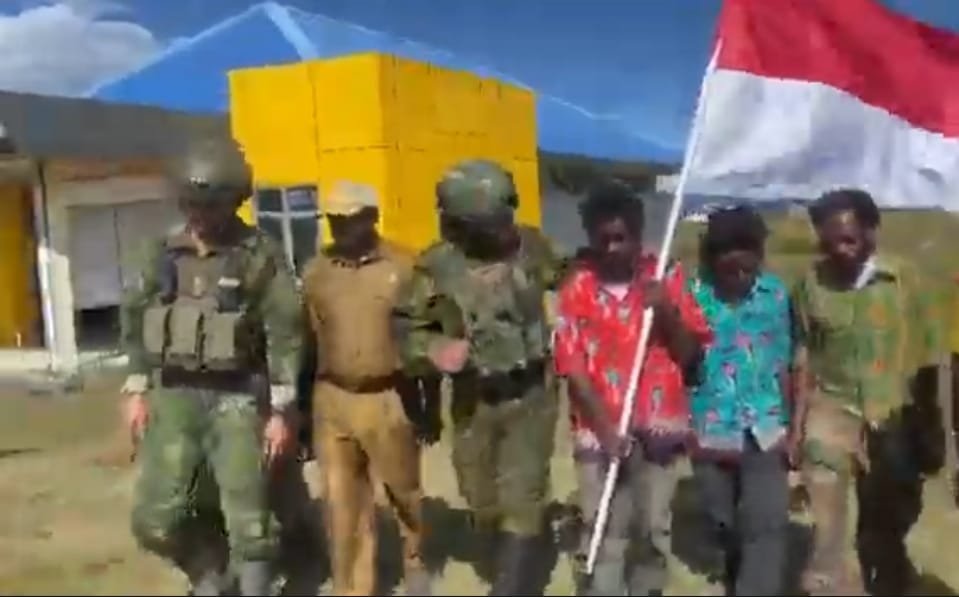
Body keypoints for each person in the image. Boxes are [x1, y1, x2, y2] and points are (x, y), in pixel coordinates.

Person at [119, 136, 303, 596]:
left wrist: (282, 410)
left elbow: (285, 331)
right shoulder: (161, 253)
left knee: (250, 524)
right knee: (156, 518)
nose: (200, 215)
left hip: (239, 398)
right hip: (174, 398)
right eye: (192, 204)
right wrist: (136, 388)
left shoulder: (258, 254)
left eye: (210, 205)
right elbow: (135, 320)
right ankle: (208, 575)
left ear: (232, 202)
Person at [392, 159, 563, 595]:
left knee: (523, 497)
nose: (507, 229)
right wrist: (434, 350)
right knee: (480, 497)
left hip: (531, 394)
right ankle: (505, 550)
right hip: (474, 399)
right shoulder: (437, 266)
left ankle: (511, 585)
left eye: (508, 217)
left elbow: (574, 280)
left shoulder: (534, 247)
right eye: (495, 223)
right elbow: (406, 329)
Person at [552, 182, 710, 596]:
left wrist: (666, 311)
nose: (611, 248)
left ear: (639, 234)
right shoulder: (577, 287)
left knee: (652, 527)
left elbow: (691, 354)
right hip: (600, 427)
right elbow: (571, 365)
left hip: (659, 426)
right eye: (602, 239)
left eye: (620, 238)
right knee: (604, 526)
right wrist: (605, 429)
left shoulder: (667, 277)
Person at [792, 188, 943, 595]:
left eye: (848, 240)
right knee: (826, 521)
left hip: (892, 415)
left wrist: (932, 426)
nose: (838, 251)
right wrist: (797, 426)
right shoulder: (810, 284)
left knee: (888, 518)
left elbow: (933, 355)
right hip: (831, 411)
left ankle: (887, 577)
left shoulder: (905, 280)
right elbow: (804, 353)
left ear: (872, 232)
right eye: (828, 242)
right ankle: (828, 584)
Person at [301, 181, 435, 596]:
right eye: (334, 220)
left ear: (372, 218)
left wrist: (429, 406)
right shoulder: (317, 272)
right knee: (342, 501)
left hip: (389, 396)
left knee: (403, 491)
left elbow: (426, 338)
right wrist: (302, 411)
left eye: (349, 219)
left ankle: (415, 559)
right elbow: (306, 341)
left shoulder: (406, 267)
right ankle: (355, 587)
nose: (340, 228)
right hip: (332, 397)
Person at [686, 206, 798, 595]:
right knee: (723, 519)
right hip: (710, 428)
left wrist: (792, 427)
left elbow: (783, 362)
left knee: (766, 523)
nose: (739, 273)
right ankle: (734, 569)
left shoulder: (774, 295)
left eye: (748, 262)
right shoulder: (691, 296)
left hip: (765, 426)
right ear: (711, 258)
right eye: (728, 264)